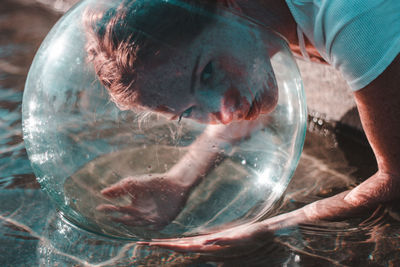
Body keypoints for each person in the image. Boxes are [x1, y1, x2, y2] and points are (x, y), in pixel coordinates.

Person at [86, 0, 400, 251]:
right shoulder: (259, 19)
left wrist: (270, 228)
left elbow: (393, 180)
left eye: (208, 72)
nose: (223, 111)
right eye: (189, 110)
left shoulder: (350, 17)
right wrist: (180, 179)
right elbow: (251, 107)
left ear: (227, 5)